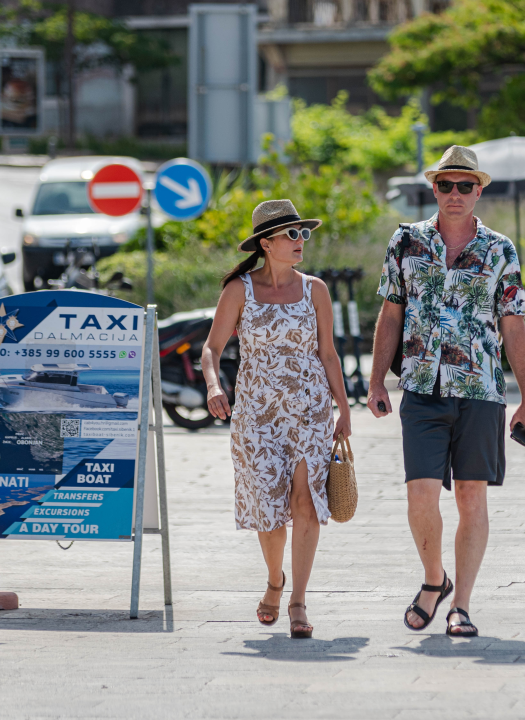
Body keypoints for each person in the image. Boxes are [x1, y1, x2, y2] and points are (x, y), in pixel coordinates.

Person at [368, 145, 525, 637]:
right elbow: (391, 313)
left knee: (471, 497)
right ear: (435, 189)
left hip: (481, 391)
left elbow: (513, 324)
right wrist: (378, 378)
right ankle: (433, 579)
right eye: (447, 185)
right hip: (420, 386)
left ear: (479, 190)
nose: (456, 194)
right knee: (420, 497)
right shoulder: (406, 243)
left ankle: (460, 603)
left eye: (466, 186)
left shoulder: (500, 250)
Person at [202, 199, 352, 639]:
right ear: (267, 244)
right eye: (292, 235)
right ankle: (274, 579)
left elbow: (328, 353)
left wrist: (343, 408)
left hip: (310, 410)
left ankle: (299, 601)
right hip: (256, 415)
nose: (300, 242)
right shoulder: (239, 291)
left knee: (304, 504)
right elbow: (211, 350)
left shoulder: (316, 290)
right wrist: (214, 385)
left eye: (303, 234)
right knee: (268, 512)